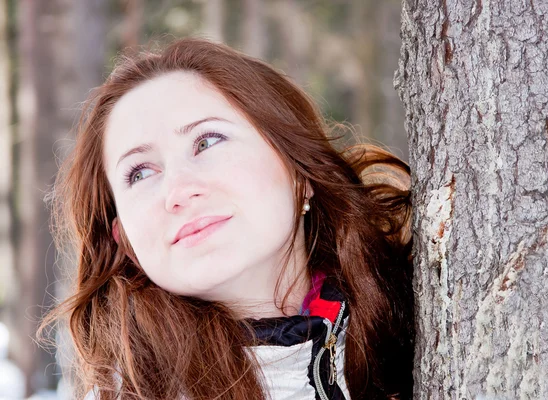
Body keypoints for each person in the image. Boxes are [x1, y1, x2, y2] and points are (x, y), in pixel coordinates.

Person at [39, 37, 414, 399]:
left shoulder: (410, 321)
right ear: (125, 240)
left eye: (207, 141)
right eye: (140, 172)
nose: (178, 191)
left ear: (300, 172)